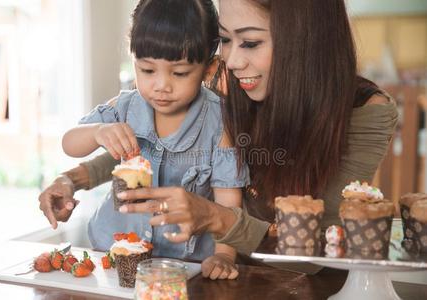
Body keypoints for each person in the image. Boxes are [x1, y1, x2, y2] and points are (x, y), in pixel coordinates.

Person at [39, 0, 398, 262]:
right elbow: (145, 150)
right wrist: (72, 179)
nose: (234, 61)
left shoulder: (364, 112)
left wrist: (215, 221)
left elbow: (318, 248)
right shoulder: (222, 85)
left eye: (251, 42)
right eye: (225, 40)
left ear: (307, 41)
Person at [47, 0, 250, 280]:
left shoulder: (220, 122)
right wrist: (96, 132)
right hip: (115, 252)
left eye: (179, 73)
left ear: (208, 68)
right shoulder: (126, 105)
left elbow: (227, 203)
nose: (161, 85)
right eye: (147, 70)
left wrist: (224, 255)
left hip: (183, 264)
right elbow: (69, 144)